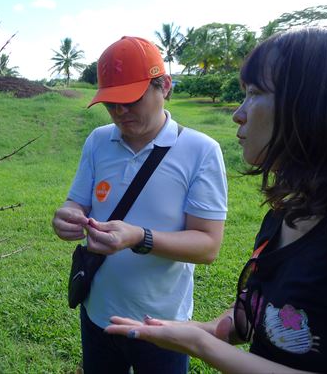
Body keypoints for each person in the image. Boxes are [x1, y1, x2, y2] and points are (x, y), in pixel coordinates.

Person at [105, 27, 327, 373]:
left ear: (310, 103)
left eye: (256, 92)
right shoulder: (285, 213)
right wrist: (198, 330)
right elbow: (252, 322)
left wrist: (201, 345)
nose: (238, 114)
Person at [52, 36, 228, 373]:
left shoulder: (200, 151)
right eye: (111, 103)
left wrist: (138, 237)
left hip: (162, 324)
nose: (120, 112)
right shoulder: (98, 140)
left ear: (164, 86)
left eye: (131, 99)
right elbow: (77, 202)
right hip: (98, 311)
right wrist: (68, 216)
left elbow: (207, 245)